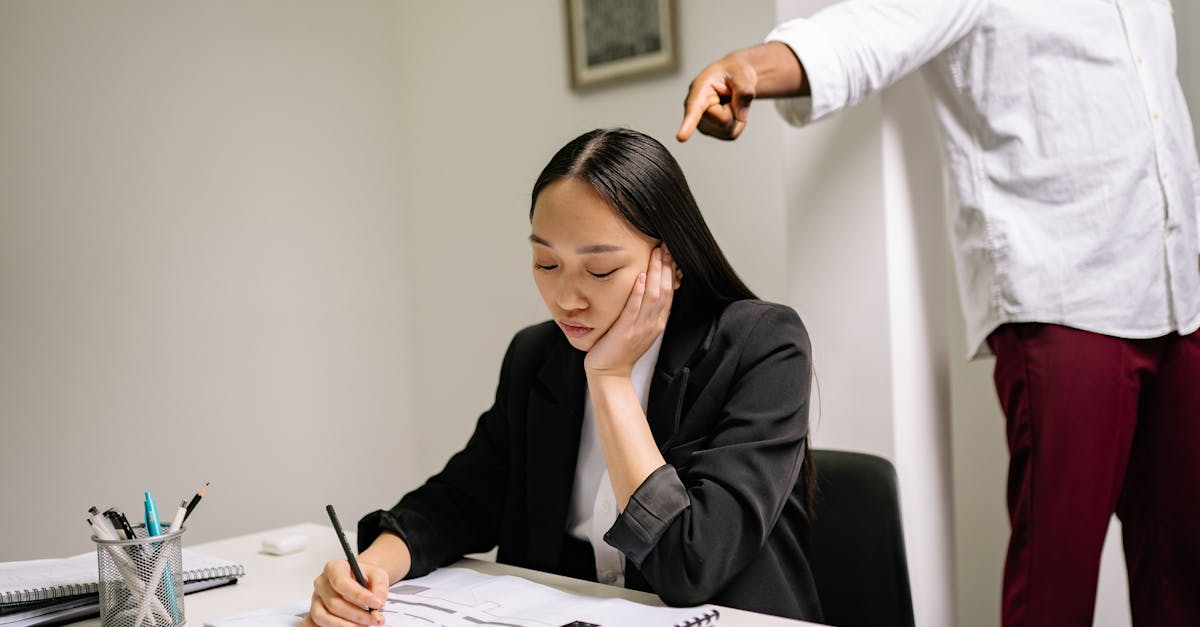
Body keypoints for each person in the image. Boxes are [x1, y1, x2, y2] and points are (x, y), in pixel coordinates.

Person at [676, 1, 1200, 626]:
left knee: (1184, 568)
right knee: (1055, 581)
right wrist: (748, 69)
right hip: (1065, 294)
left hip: (1180, 292)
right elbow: (863, 32)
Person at [304, 128, 823, 625]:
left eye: (600, 271)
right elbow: (461, 500)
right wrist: (370, 567)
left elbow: (691, 563)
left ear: (673, 261)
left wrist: (612, 379)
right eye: (546, 263)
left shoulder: (763, 345)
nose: (566, 300)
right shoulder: (536, 354)